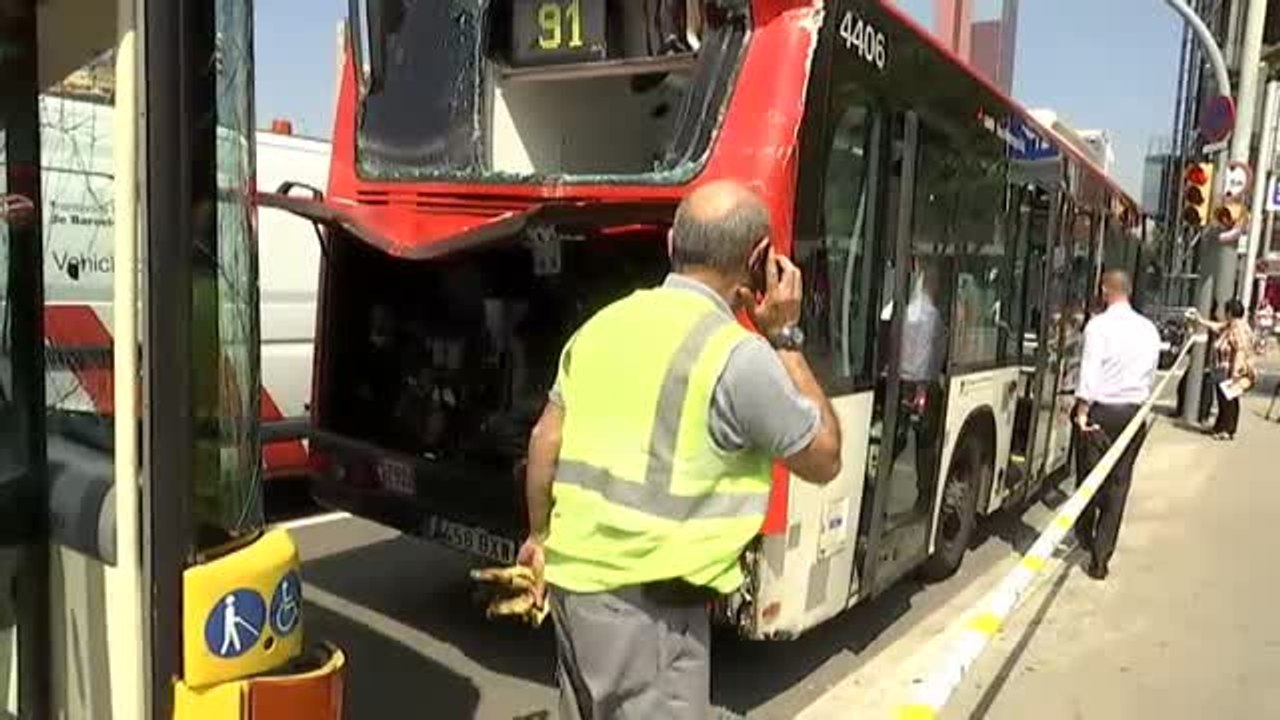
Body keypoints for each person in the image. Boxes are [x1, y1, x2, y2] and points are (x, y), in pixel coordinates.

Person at [518, 180, 842, 720]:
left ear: (672, 243)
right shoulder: (736, 357)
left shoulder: (601, 326)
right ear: (760, 260)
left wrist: (539, 535)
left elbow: (543, 439)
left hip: (572, 588)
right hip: (651, 615)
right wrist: (784, 338)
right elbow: (824, 457)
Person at [1073, 270, 1161, 581]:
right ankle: (1101, 558)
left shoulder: (1098, 327)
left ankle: (1084, 534)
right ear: (1130, 290)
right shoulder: (1149, 330)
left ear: (1105, 290)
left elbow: (1089, 371)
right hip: (1134, 413)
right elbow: (1151, 374)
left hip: (1102, 412)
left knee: (1090, 477)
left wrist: (1082, 409)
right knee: (1119, 484)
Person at [1190, 299, 1257, 440]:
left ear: (1230, 312)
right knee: (1225, 399)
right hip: (1224, 368)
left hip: (1230, 369)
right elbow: (1216, 326)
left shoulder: (1238, 329)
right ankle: (1222, 426)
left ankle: (1227, 429)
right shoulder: (1231, 326)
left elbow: (1240, 350)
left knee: (1228, 400)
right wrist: (1200, 320)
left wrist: (1235, 371)